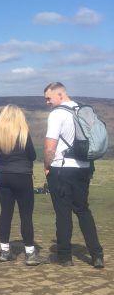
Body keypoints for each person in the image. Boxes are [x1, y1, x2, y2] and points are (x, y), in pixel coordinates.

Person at [43, 82, 104, 268]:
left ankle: (64, 256)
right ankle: (96, 255)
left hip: (62, 168)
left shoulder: (57, 114)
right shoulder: (82, 110)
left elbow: (49, 147)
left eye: (49, 98)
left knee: (63, 212)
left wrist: (46, 167)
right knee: (83, 210)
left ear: (60, 95)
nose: (47, 102)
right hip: (84, 167)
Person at [0, 104, 42, 266]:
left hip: (3, 176)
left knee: (6, 213)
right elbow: (32, 155)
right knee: (26, 214)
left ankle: (5, 250)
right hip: (23, 176)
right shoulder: (23, 134)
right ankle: (30, 253)